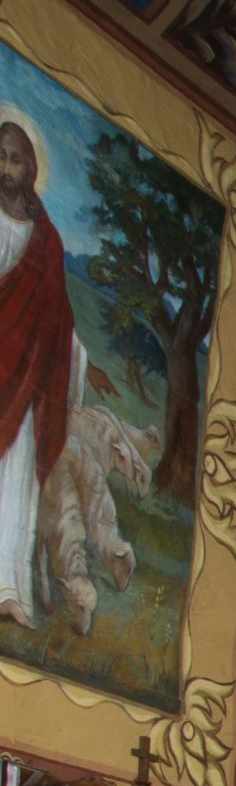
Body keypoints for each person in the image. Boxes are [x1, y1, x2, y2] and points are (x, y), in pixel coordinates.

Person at [0, 116, 78, 632]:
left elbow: (57, 313)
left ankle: (8, 590)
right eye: (1, 157)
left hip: (25, 375)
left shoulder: (46, 237)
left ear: (30, 166)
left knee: (16, 483)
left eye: (15, 159)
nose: (7, 168)